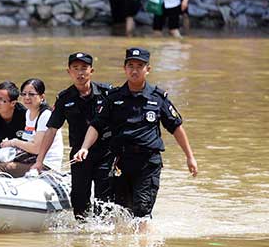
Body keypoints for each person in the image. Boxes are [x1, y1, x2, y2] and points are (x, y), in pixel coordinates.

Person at [74, 47, 198, 221]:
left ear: (148, 69)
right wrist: (84, 148)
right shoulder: (113, 97)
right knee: (121, 212)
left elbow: (176, 127)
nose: (134, 70)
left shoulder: (158, 98)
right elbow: (97, 125)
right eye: (130, 65)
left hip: (147, 163)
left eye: (139, 66)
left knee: (142, 211)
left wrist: (190, 157)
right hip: (120, 163)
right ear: (124, 69)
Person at [32, 53, 113, 220]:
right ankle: (82, 240)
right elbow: (52, 130)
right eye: (75, 69)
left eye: (84, 68)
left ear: (92, 70)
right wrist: (39, 161)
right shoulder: (64, 98)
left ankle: (104, 237)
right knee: (79, 200)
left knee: (104, 201)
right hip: (79, 155)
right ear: (68, 71)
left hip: (106, 153)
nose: (80, 73)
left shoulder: (107, 93)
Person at [0, 78, 63, 177]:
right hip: (31, 159)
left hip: (46, 164)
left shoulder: (45, 115)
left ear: (42, 97)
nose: (27, 97)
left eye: (31, 94)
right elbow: (29, 142)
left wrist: (13, 142)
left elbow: (37, 148)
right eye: (24, 94)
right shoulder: (28, 113)